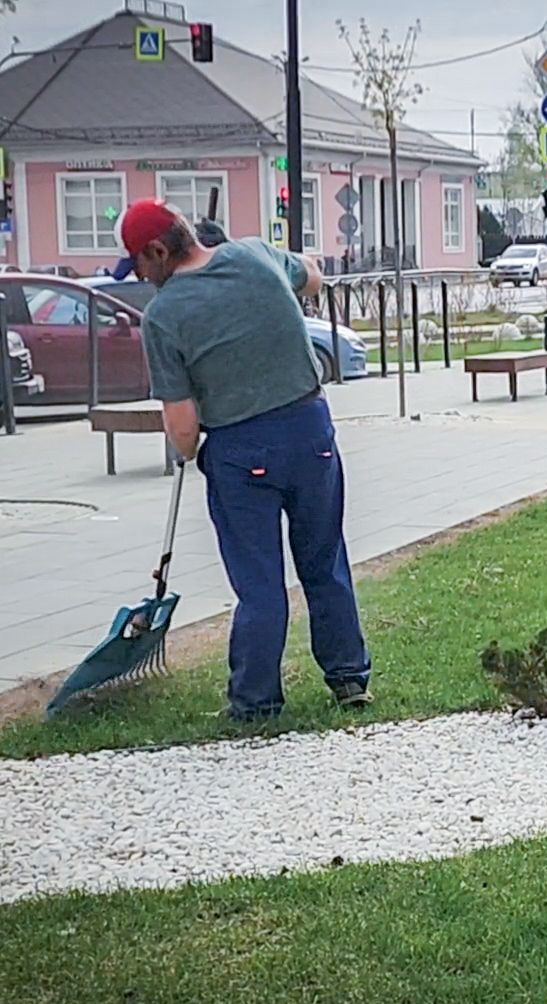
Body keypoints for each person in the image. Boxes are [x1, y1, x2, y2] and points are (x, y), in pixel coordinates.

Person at [118, 199, 372, 719]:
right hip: (310, 431)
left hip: (241, 451)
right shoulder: (256, 254)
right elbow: (314, 278)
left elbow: (183, 430)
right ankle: (349, 679)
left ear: (159, 250)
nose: (140, 276)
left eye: (139, 264)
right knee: (324, 561)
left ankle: (255, 702)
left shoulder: (163, 317)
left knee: (258, 582)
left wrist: (191, 450)